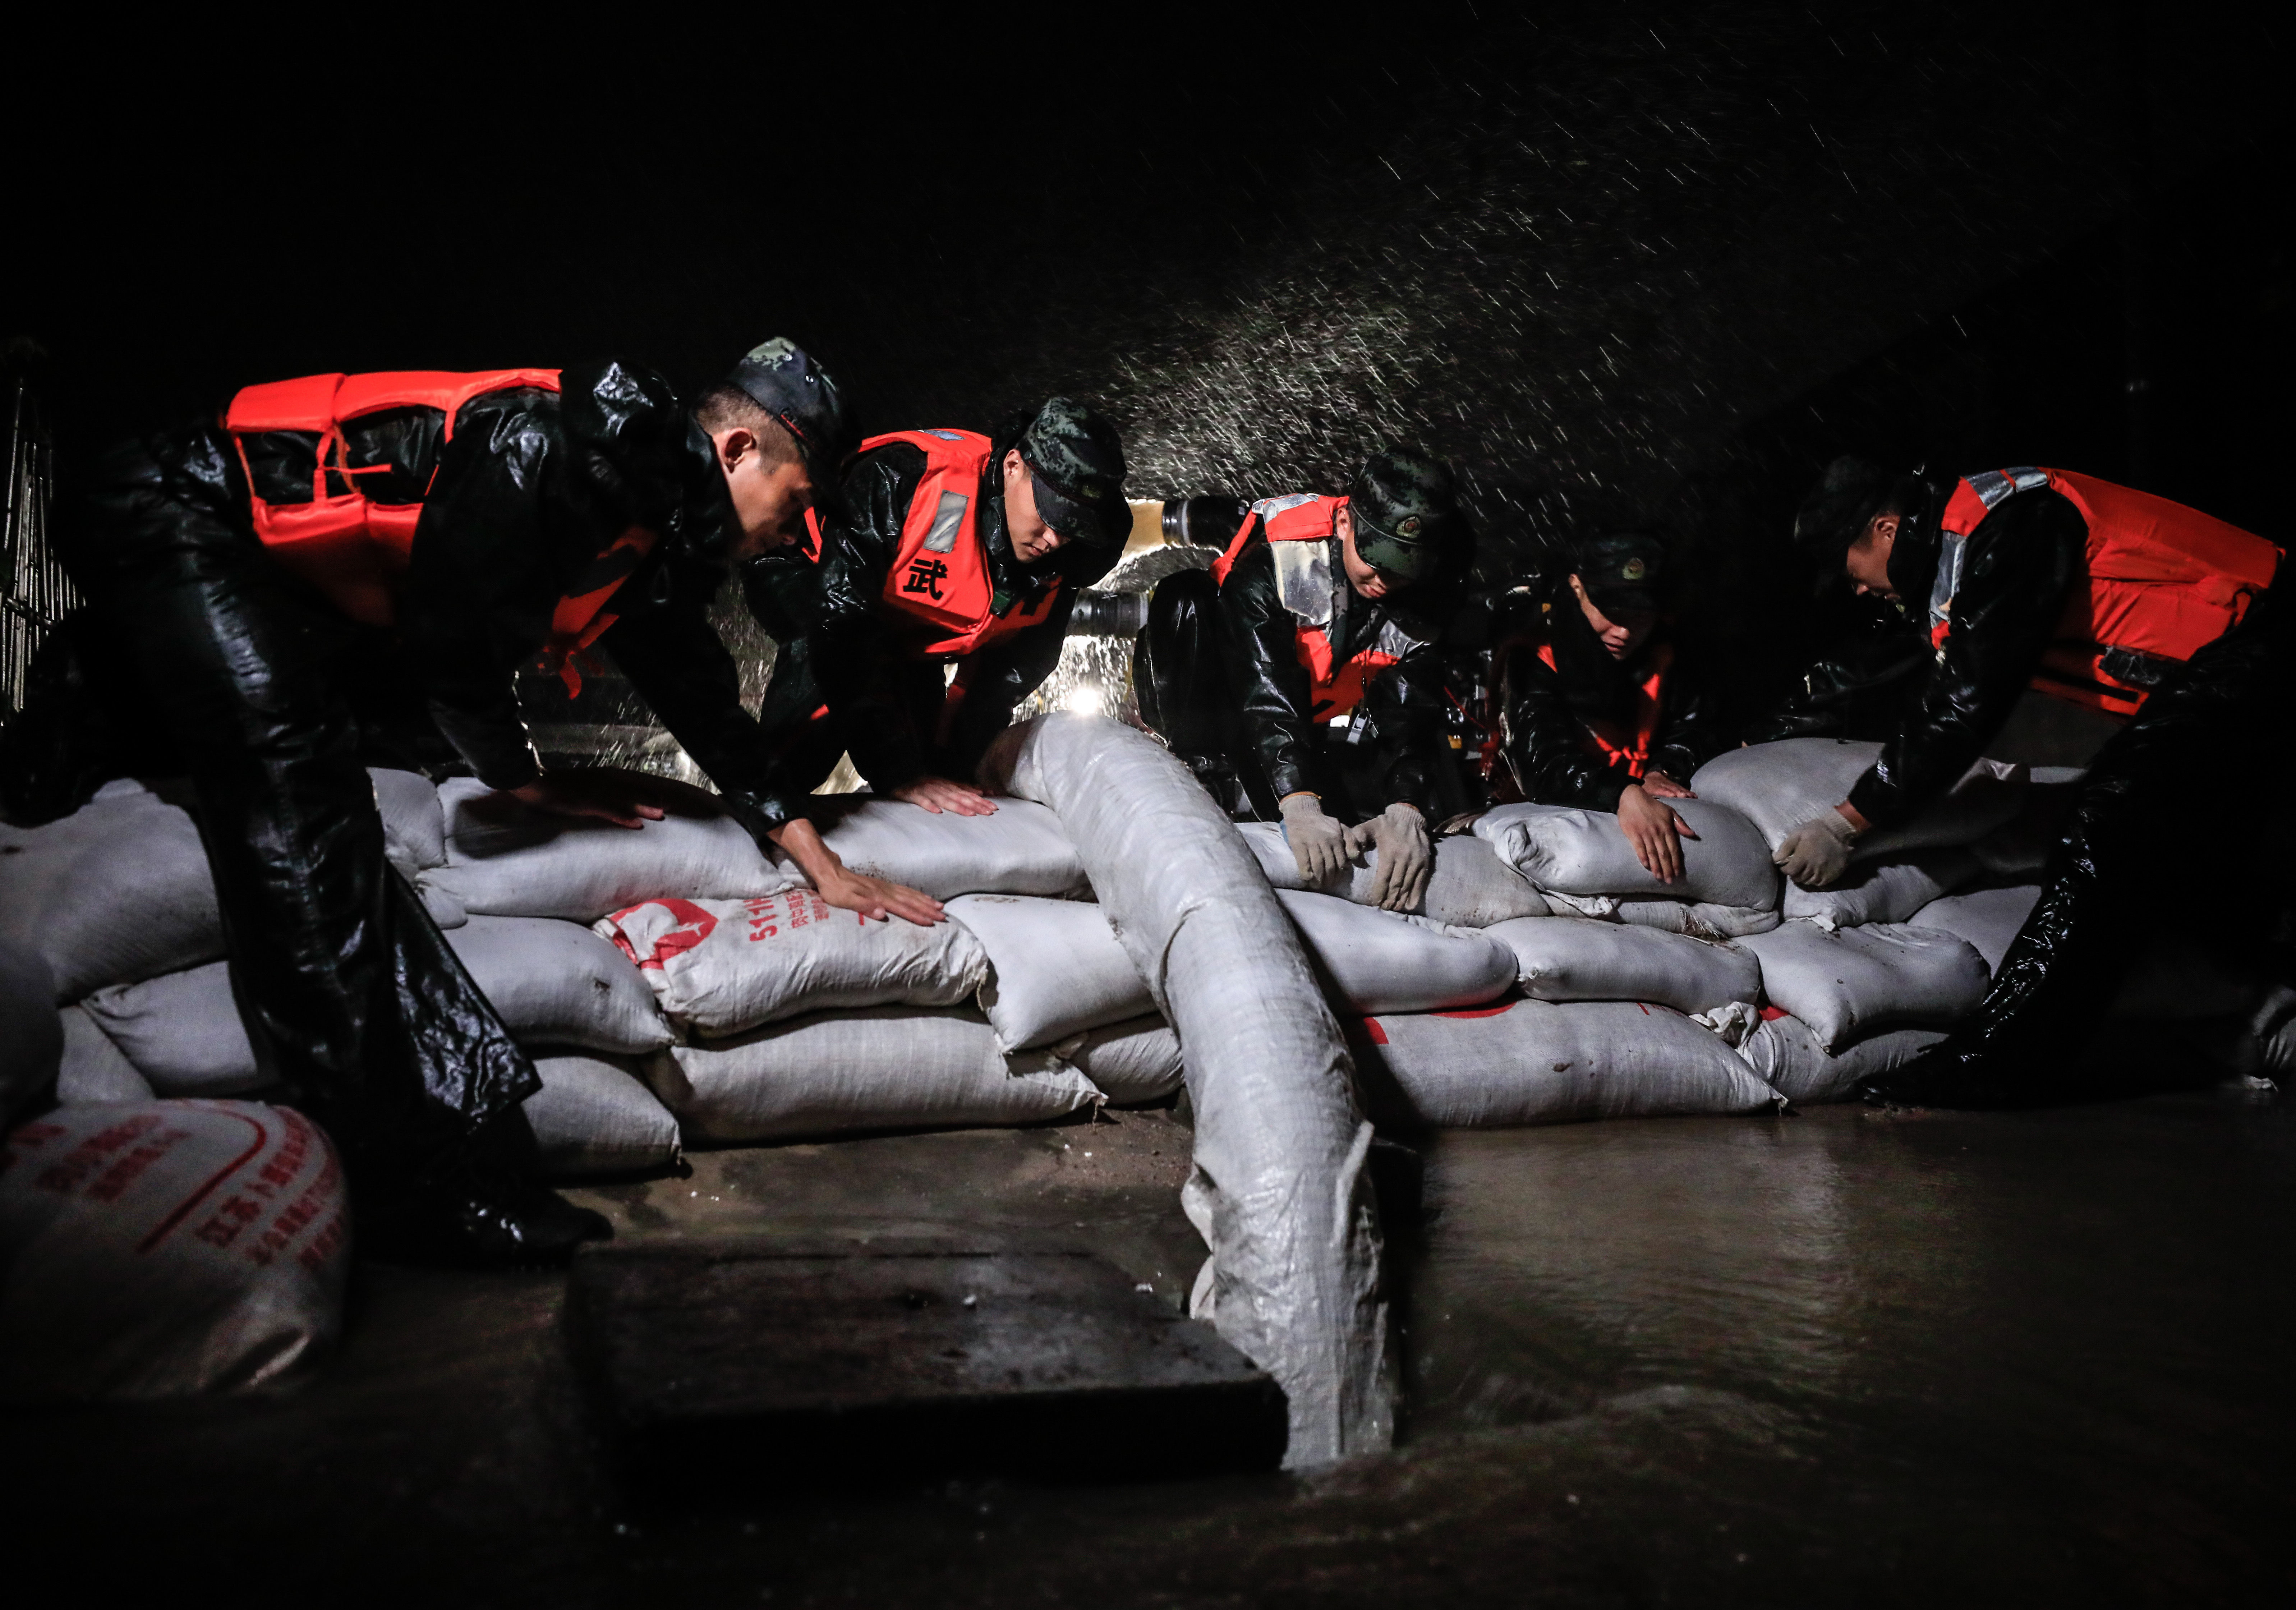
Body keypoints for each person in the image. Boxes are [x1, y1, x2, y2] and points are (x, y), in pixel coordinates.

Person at [33, 337, 942, 1267]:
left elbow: (709, 710)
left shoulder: (656, 542)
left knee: (271, 768)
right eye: (797, 503)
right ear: (741, 450)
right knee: (308, 810)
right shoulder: (570, 450)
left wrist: (823, 865)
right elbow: (446, 639)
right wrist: (521, 777)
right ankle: (411, 1187)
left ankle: (82, 710)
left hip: (259, 568)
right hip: (174, 508)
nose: (795, 536)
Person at [1779, 457, 2296, 1107]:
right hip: (2238, 661)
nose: (1855, 591)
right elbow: (1856, 676)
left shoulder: (2013, 525)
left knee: (2107, 824)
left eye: (1848, 570)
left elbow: (1965, 708)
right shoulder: (1953, 572)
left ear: (1884, 529)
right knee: (2190, 882)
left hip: (2262, 640)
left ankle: (1996, 1064)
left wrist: (1847, 822)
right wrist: (1717, 750)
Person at [751, 399, 1131, 812]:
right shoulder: (907, 481)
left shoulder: (1070, 557)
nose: (1054, 538)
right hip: (805, 566)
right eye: (1049, 513)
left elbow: (1011, 671)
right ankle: (763, 806)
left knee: (935, 762)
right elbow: (842, 623)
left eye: (1073, 525)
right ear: (1013, 466)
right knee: (823, 705)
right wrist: (897, 773)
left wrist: (956, 764)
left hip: (907, 622)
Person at [1137, 448, 1469, 912]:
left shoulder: (1437, 583)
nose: (1383, 578)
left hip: (1310, 718)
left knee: (1342, 848)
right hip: (1225, 695)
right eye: (1374, 559)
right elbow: (1264, 685)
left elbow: (1412, 705)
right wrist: (1298, 801)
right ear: (1346, 524)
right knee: (1184, 597)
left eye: (1401, 567)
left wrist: (1406, 805)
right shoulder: (1280, 558)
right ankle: (1204, 771)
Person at [1494, 531, 1728, 884]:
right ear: (1577, 588)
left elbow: (1698, 726)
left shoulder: (1668, 651)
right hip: (1558, 816)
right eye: (1611, 611)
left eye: (1640, 616)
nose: (1623, 630)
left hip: (1644, 800)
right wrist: (1620, 793)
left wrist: (1664, 770)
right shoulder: (1533, 657)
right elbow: (1542, 762)